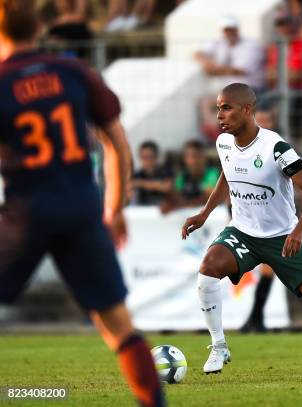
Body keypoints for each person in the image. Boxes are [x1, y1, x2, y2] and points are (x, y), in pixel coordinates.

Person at [0, 2, 164, 406]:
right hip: (81, 205)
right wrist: (116, 207)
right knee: (118, 324)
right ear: (40, 27)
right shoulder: (74, 72)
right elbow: (117, 145)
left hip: (28, 209)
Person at [181, 83, 302, 380]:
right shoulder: (223, 143)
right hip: (243, 232)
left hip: (282, 236)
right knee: (208, 269)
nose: (219, 115)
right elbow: (227, 175)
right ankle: (219, 345)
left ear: (247, 110)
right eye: (218, 108)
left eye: (226, 108)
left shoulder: (276, 148)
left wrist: (298, 231)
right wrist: (205, 212)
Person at [194, 16, 265, 93]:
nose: (229, 32)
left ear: (237, 29)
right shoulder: (220, 42)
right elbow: (198, 53)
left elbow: (240, 71)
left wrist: (214, 70)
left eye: (231, 29)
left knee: (211, 101)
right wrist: (207, 63)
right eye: (226, 30)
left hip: (249, 88)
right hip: (230, 88)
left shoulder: (251, 45)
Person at [160, 139, 219, 213]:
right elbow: (176, 195)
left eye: (196, 156)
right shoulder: (182, 175)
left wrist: (178, 205)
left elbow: (209, 198)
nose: (193, 161)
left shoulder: (212, 173)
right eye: (189, 157)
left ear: (204, 158)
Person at [131, 140, 173, 205]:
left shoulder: (165, 171)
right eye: (144, 157)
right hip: (143, 210)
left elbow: (167, 187)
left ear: (156, 157)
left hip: (163, 209)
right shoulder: (137, 174)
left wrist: (140, 183)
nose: (147, 161)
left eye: (150, 157)